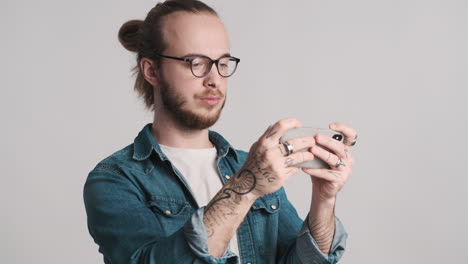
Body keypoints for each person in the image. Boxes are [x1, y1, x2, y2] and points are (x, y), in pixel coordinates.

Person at [83, 0, 358, 263]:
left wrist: (324, 199)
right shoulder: (115, 180)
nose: (214, 79)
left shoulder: (248, 164)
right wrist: (245, 188)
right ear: (152, 71)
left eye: (222, 63)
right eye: (195, 62)